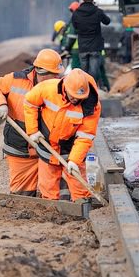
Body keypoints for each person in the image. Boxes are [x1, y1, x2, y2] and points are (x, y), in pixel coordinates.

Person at [0, 49, 64, 197]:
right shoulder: (15, 80)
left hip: (50, 150)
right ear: (40, 72)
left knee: (56, 195)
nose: (57, 78)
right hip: (21, 149)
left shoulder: (62, 86)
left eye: (58, 74)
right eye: (54, 75)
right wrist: (0, 104)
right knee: (21, 197)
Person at [24, 68, 101, 204]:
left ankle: (82, 206)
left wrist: (74, 161)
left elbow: (85, 136)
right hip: (47, 144)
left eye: (79, 98)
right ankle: (50, 209)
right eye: (72, 96)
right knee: (48, 184)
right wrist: (33, 130)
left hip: (71, 146)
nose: (75, 100)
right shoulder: (48, 88)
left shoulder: (91, 106)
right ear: (65, 87)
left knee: (79, 184)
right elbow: (30, 103)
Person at [71, 0, 111, 90]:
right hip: (95, 46)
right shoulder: (97, 11)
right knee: (94, 71)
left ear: (83, 0)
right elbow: (107, 21)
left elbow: (75, 27)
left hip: (83, 47)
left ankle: (84, 90)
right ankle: (92, 89)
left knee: (84, 71)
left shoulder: (76, 13)